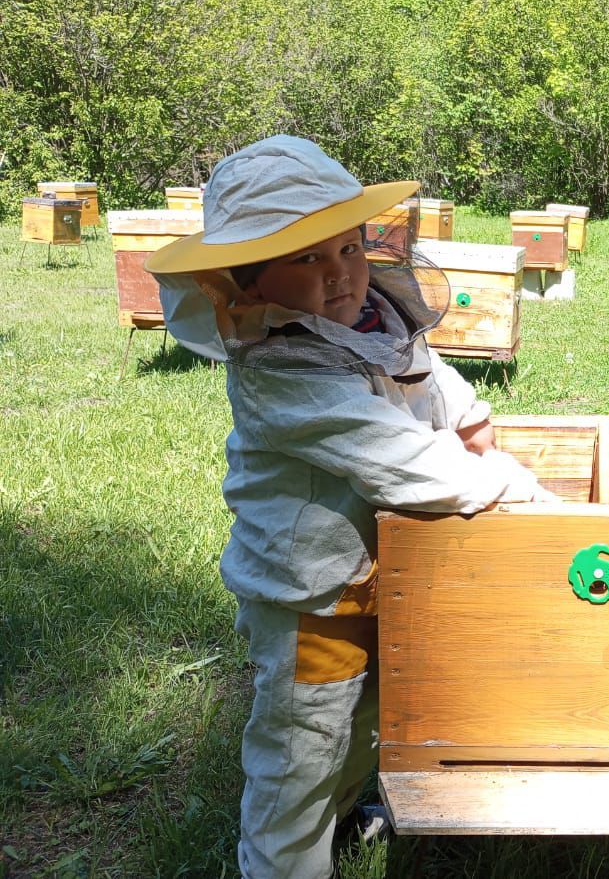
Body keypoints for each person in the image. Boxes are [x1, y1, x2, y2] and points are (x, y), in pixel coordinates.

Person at [146, 135, 555, 878]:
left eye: (349, 247)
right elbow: (396, 457)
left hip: (378, 578)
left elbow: (422, 372)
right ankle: (284, 858)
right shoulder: (281, 370)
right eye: (305, 258)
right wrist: (505, 481)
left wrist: (467, 414)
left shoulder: (368, 318)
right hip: (314, 596)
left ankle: (341, 812)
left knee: (365, 718)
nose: (338, 274)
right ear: (248, 279)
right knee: (302, 745)